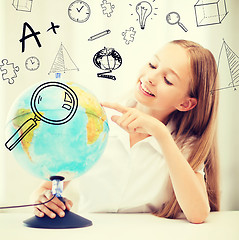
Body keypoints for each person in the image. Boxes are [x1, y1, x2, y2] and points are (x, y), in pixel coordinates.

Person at [32, 40, 220, 224]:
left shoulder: (184, 144)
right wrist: (43, 199)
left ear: (185, 103)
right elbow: (47, 187)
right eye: (152, 65)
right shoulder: (94, 122)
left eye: (167, 80)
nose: (151, 78)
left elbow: (198, 214)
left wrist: (160, 133)